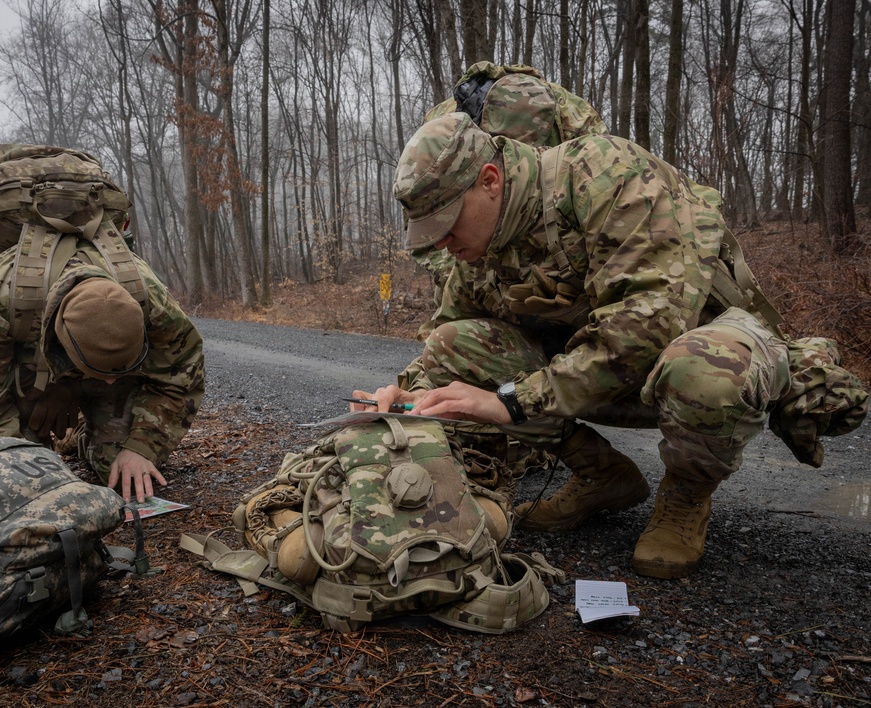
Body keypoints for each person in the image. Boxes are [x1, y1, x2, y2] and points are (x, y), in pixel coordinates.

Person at [354, 112, 867, 579]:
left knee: (706, 370)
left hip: (706, 348)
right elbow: (449, 339)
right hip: (600, 369)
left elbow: (649, 325)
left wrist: (511, 401)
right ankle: (602, 476)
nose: (442, 244)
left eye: (445, 225)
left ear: (489, 181)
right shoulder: (482, 248)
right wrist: (408, 395)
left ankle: (686, 496)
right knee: (454, 345)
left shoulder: (603, 174)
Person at [0, 240, 205, 504]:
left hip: (79, 371)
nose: (111, 380)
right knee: (18, 483)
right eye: (99, 371)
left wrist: (143, 447)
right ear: (62, 345)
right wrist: (21, 467)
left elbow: (180, 376)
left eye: (124, 367)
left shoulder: (152, 302)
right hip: (33, 381)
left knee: (124, 472)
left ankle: (81, 431)